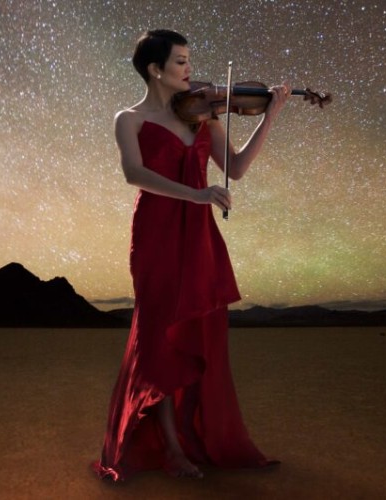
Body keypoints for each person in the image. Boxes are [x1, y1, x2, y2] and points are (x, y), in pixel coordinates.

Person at [93, 29, 290, 481]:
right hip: (157, 235)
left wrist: (271, 113)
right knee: (159, 333)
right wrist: (198, 195)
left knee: (200, 332)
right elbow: (133, 174)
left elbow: (235, 168)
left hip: (198, 237)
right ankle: (172, 447)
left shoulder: (202, 113)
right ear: (155, 70)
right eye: (180, 61)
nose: (189, 69)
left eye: (188, 60)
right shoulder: (129, 118)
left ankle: (194, 434)